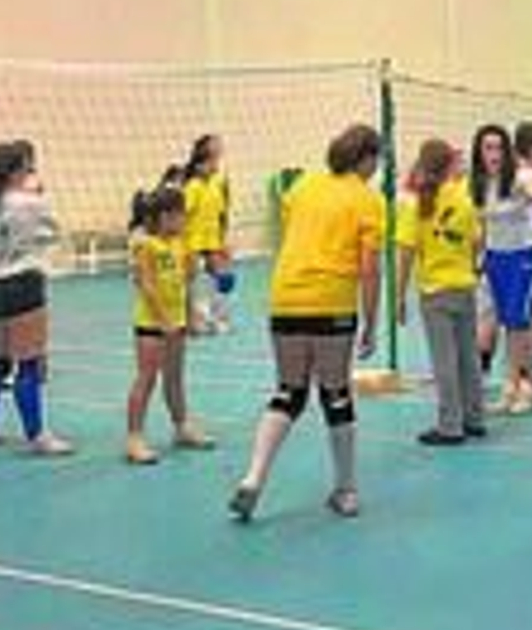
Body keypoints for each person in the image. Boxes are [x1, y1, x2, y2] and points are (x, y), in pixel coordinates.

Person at [228, 125, 384, 522]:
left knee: (289, 392)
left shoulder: (302, 187)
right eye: (376, 160)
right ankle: (346, 490)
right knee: (336, 393)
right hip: (331, 300)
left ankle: (253, 478)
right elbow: (369, 268)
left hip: (286, 298)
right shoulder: (367, 200)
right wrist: (370, 323)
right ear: (366, 158)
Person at [0, 141, 72, 456]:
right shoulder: (30, 203)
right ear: (17, 171)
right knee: (29, 363)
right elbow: (53, 232)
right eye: (27, 166)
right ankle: (37, 436)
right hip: (23, 283)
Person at [395, 139, 486, 446]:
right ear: (449, 166)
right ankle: (474, 418)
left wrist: (399, 296)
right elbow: (477, 242)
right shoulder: (464, 200)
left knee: (444, 360)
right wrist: (469, 268)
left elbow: (406, 252)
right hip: (464, 287)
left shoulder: (414, 205)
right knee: (468, 356)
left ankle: (450, 426)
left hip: (435, 291)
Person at [124, 186, 215, 465]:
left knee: (174, 377)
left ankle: (182, 427)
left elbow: (185, 284)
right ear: (164, 216)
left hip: (176, 323)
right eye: (179, 215)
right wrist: (163, 319)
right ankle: (134, 438)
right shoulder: (145, 244)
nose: (183, 220)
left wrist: (190, 316)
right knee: (146, 378)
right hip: (151, 324)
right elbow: (146, 285)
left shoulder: (181, 244)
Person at [471, 123, 532, 414]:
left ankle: (528, 386)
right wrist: (478, 257)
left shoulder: (524, 178)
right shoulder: (478, 183)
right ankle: (511, 386)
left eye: (498, 147)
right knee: (505, 322)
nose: (493, 154)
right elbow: (480, 222)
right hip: (495, 255)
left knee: (520, 323)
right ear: (479, 152)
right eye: (487, 148)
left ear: (507, 151)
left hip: (525, 254)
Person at [183, 135, 236, 333]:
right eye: (209, 163)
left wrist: (224, 241)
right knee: (193, 282)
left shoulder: (217, 183)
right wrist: (180, 244)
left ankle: (219, 319)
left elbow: (222, 215)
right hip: (192, 241)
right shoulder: (193, 186)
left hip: (212, 240)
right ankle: (195, 321)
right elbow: (183, 215)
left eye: (215, 162)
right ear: (198, 166)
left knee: (224, 279)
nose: (214, 166)